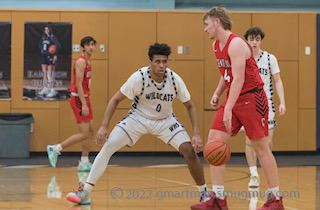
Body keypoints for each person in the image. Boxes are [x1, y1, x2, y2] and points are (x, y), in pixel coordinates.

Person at [66, 43, 209, 205]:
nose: (161, 65)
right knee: (109, 146)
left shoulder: (174, 79)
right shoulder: (139, 78)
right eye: (157, 62)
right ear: (150, 62)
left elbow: (190, 105)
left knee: (189, 151)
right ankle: (85, 192)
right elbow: (115, 99)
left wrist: (196, 132)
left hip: (165, 120)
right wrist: (104, 126)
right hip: (138, 119)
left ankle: (204, 194)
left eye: (164, 61)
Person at [191, 7, 284, 210]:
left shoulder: (236, 44)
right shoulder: (217, 45)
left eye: (206, 24)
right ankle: (218, 200)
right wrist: (217, 93)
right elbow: (228, 74)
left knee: (260, 147)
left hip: (253, 98)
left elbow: (240, 78)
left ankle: (275, 200)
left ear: (217, 22)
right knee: (214, 143)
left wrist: (227, 108)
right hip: (234, 97)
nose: (205, 29)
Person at [242, 27, 286, 188]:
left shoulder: (269, 59)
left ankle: (266, 167)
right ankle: (254, 174)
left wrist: (282, 102)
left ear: (261, 41)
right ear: (246, 40)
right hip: (248, 106)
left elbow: (278, 80)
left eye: (257, 39)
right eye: (251, 39)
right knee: (250, 141)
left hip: (266, 105)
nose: (254, 42)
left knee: (266, 142)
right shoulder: (242, 58)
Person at [47, 36, 97, 172]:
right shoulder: (81, 61)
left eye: (93, 44)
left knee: (91, 130)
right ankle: (55, 148)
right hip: (78, 99)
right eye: (88, 45)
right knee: (85, 133)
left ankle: (84, 163)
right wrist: (84, 104)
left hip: (85, 98)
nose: (91, 47)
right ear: (83, 47)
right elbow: (79, 84)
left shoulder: (88, 60)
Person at [38, 25, 61, 98]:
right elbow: (39, 44)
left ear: (50, 30)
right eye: (45, 30)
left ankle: (52, 89)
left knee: (50, 74)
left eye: (47, 30)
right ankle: (45, 88)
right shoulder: (43, 37)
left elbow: (58, 46)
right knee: (44, 73)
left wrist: (55, 54)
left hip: (50, 56)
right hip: (44, 56)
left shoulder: (53, 37)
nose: (46, 31)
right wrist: (41, 49)